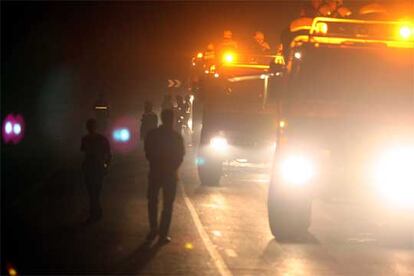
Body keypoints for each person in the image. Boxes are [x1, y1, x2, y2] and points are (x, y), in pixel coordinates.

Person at [144, 109, 185, 243]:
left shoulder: (152, 135)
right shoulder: (176, 137)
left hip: (155, 172)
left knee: (152, 202)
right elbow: (180, 156)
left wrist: (155, 163)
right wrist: (172, 168)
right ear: (172, 119)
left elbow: (148, 152)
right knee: (167, 205)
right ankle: (163, 233)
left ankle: (153, 229)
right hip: (170, 174)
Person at [81, 118, 111, 222]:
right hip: (97, 167)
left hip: (90, 167)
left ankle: (94, 211)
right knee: (96, 191)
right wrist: (106, 166)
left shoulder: (85, 139)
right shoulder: (102, 139)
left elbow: (84, 152)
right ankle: (96, 210)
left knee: (91, 191)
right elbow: (108, 154)